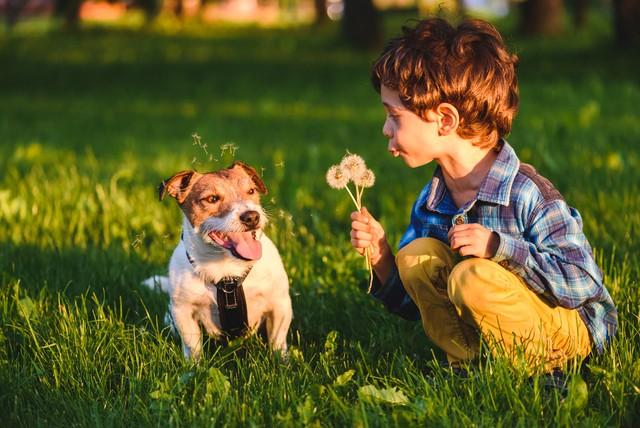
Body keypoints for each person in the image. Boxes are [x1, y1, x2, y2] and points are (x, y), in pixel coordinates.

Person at [349, 18, 617, 375]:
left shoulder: (527, 195)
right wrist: (382, 258)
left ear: (445, 120)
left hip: (568, 330)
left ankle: (548, 373)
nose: (385, 128)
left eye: (394, 116)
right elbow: (419, 308)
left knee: (471, 277)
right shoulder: (432, 201)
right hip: (499, 322)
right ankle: (468, 365)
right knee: (416, 256)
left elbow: (583, 281)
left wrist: (500, 248)